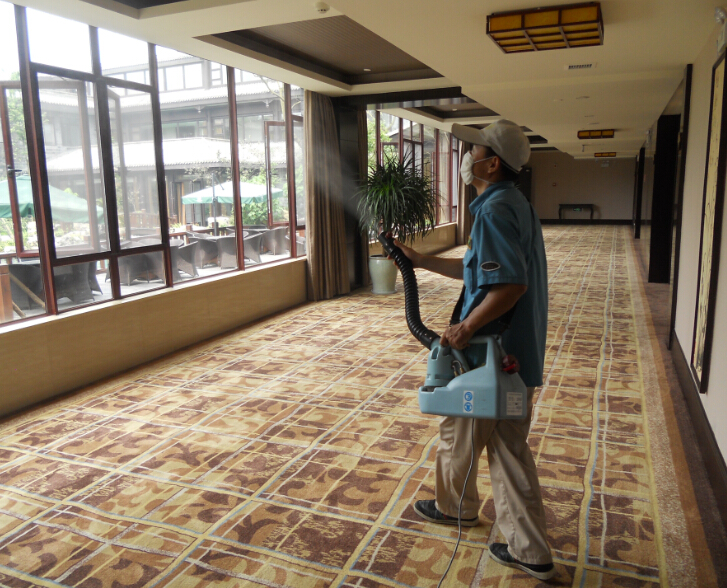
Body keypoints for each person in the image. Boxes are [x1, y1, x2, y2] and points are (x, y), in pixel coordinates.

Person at [392, 119, 554, 581]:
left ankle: (455, 507)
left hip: (490, 353)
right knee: (508, 448)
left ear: (492, 163)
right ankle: (531, 551)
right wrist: (420, 261)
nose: (468, 157)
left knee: (458, 430)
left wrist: (465, 327)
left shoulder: (494, 211)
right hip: (516, 353)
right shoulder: (514, 204)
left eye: (475, 150)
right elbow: (479, 270)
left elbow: (510, 286)